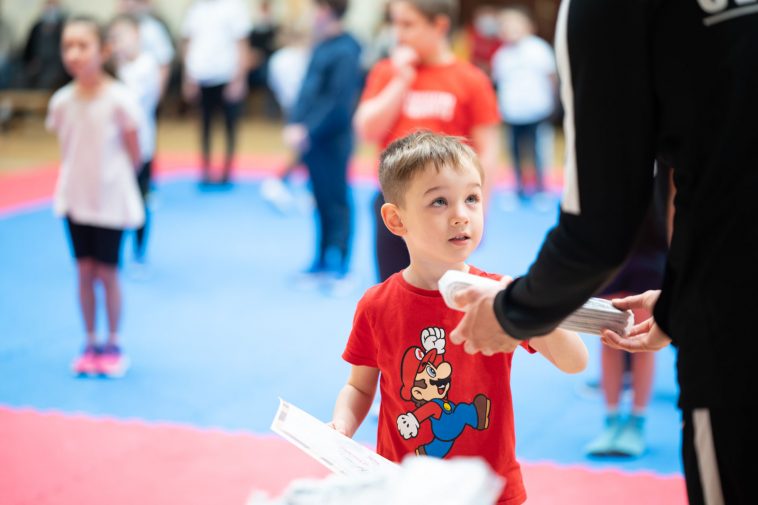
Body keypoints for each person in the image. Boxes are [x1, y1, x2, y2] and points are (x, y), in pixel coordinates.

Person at [449, 2, 758, 504]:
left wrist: (510, 314)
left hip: (735, 317)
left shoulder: (607, 9)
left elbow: (600, 228)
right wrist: (680, 298)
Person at [330, 131, 588, 505]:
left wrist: (526, 306)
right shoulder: (377, 304)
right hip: (403, 488)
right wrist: (342, 426)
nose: (460, 215)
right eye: (439, 201)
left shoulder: (498, 295)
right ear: (396, 220)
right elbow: (359, 387)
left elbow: (575, 361)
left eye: (472, 198)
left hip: (489, 489)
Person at [355, 0, 501, 283]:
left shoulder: (471, 79)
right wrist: (401, 80)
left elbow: (488, 151)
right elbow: (366, 129)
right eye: (395, 23)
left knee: (441, 294)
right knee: (393, 290)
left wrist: (480, 209)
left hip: (446, 207)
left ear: (439, 26)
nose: (398, 33)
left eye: (408, 24)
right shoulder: (388, 72)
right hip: (395, 200)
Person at [46, 16, 145, 377]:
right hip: (75, 200)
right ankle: (90, 340)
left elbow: (136, 153)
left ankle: (113, 342)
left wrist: (114, 182)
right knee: (84, 272)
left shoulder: (121, 100)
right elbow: (68, 150)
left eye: (82, 45)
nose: (73, 53)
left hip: (110, 202)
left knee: (108, 273)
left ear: (102, 51)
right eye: (67, 46)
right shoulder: (61, 102)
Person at [585, 165, 670, 458]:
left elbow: (674, 199)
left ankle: (637, 421)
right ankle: (610, 421)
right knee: (608, 336)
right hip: (609, 253)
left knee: (642, 340)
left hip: (652, 252)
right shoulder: (604, 147)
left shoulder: (667, 149)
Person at [284, 0, 362, 289]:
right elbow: (308, 92)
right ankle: (319, 259)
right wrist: (295, 123)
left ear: (327, 11)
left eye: (314, 8)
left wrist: (309, 130)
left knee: (337, 200)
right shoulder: (321, 46)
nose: (310, 15)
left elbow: (338, 103)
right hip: (311, 139)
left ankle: (340, 263)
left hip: (333, 138)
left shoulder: (347, 49)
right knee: (318, 199)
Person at [109, 14, 161, 266]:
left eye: (123, 36)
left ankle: (140, 252)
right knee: (115, 200)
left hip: (142, 146)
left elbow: (130, 102)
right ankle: (114, 252)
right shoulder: (114, 68)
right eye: (114, 37)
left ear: (137, 35)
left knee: (141, 199)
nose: (118, 42)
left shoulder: (146, 65)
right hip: (114, 147)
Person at [181, 0, 252, 185]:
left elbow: (242, 44)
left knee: (230, 126)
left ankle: (227, 171)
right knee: (204, 126)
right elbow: (188, 44)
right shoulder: (195, 9)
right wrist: (188, 77)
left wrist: (239, 79)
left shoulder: (235, 7)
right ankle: (205, 170)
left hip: (226, 75)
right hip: (202, 76)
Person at [490, 6, 556, 201]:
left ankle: (541, 188)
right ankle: (518, 188)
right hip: (512, 111)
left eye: (515, 24)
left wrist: (554, 104)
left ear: (528, 26)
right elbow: (498, 82)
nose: (510, 29)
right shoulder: (501, 55)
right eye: (505, 25)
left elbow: (551, 77)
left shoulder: (539, 49)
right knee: (515, 150)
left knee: (539, 150)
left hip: (537, 109)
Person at [259, 25, 312, 214]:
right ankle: (277, 181)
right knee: (305, 150)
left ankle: (296, 186)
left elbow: (274, 86)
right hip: (305, 108)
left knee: (304, 150)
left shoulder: (277, 59)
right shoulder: (302, 57)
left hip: (290, 107)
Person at [118, 0, 175, 97]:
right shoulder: (120, 27)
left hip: (147, 89)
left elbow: (164, 63)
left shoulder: (152, 28)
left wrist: (158, 95)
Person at [22, 0, 69, 90]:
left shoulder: (63, 27)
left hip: (57, 65)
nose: (50, 9)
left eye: (53, 5)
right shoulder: (37, 27)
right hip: (37, 64)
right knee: (22, 78)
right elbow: (27, 50)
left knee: (49, 80)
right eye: (48, 4)